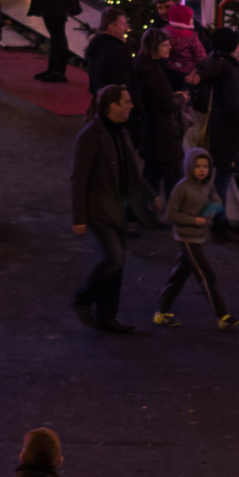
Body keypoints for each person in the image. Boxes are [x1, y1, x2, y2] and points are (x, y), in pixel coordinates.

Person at [71, 85, 152, 333]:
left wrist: (151, 196)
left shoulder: (118, 132)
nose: (131, 105)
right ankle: (84, 297)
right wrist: (80, 217)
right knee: (114, 258)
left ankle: (107, 315)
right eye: (126, 102)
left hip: (117, 208)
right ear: (113, 106)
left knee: (117, 262)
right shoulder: (91, 136)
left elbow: (131, 171)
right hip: (100, 210)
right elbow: (79, 178)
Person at [155, 152, 239, 330]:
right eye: (197, 166)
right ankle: (222, 315)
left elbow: (215, 199)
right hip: (187, 237)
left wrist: (211, 210)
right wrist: (195, 220)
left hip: (199, 236)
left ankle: (162, 312)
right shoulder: (182, 188)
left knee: (179, 274)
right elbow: (171, 214)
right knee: (206, 275)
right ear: (189, 167)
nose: (202, 170)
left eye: (205, 166)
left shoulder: (206, 185)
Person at [194, 35, 239, 210]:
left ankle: (219, 216)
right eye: (238, 42)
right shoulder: (229, 72)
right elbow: (233, 105)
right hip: (227, 129)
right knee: (224, 175)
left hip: (219, 126)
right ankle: (219, 219)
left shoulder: (218, 64)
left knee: (223, 171)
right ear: (233, 47)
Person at [129, 27, 188, 200]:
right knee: (162, 173)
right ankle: (159, 210)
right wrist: (181, 98)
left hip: (153, 132)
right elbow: (166, 103)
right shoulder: (152, 73)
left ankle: (145, 210)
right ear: (154, 47)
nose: (169, 48)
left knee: (154, 173)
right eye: (164, 45)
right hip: (161, 133)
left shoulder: (146, 66)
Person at [83, 6, 132, 111]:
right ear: (111, 27)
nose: (126, 28)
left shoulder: (96, 44)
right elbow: (123, 79)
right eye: (123, 24)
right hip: (113, 103)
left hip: (99, 98)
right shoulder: (115, 51)